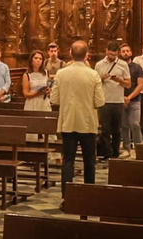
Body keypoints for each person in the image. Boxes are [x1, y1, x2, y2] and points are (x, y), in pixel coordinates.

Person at [50, 40, 103, 184]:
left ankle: (66, 196)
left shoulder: (61, 74)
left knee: (68, 160)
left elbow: (54, 99)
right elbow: (100, 102)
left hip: (68, 122)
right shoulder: (93, 75)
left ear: (70, 54)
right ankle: (88, 192)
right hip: (87, 124)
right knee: (89, 161)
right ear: (87, 55)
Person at [93, 42, 129, 160]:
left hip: (118, 100)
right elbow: (94, 83)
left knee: (117, 129)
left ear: (118, 53)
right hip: (104, 100)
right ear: (106, 51)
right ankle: (107, 153)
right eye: (111, 54)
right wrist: (101, 78)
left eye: (115, 55)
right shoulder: (99, 65)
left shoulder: (123, 64)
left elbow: (128, 84)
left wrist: (120, 80)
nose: (112, 57)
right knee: (105, 129)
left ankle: (115, 152)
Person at [118, 43, 143, 154]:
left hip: (134, 99)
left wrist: (129, 97)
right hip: (120, 99)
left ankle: (140, 148)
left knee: (134, 123)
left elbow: (140, 84)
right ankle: (126, 148)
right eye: (123, 51)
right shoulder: (118, 67)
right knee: (124, 125)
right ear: (120, 53)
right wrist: (122, 97)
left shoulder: (136, 67)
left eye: (127, 51)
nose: (125, 53)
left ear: (131, 53)